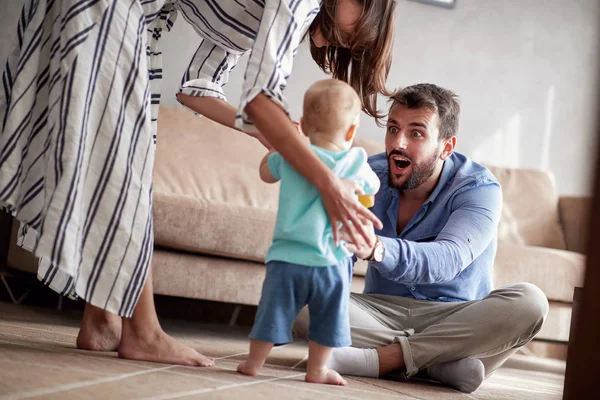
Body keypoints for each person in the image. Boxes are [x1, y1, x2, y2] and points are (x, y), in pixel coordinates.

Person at [0, 0, 395, 366]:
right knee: (126, 164)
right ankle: (142, 331)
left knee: (119, 160)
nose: (350, 31)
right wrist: (327, 183)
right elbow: (260, 98)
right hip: (114, 9)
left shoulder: (289, 17)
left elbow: (197, 88)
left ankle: (103, 321)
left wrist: (264, 133)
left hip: (139, 27)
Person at [293, 83, 549, 393]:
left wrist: (376, 248)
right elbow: (334, 257)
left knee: (530, 303)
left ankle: (379, 361)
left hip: (456, 319)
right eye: (392, 128)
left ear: (446, 147)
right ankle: (441, 366)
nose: (397, 143)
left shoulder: (478, 189)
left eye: (416, 133)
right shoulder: (366, 175)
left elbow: (449, 258)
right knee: (301, 294)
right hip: (380, 312)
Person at [237, 79, 380, 386]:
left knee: (273, 312)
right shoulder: (356, 160)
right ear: (352, 132)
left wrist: (280, 144)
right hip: (332, 261)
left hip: (287, 257)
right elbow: (373, 187)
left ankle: (253, 363)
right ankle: (316, 371)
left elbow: (265, 173)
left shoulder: (291, 155)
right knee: (328, 318)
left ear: (301, 125)